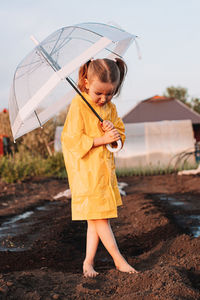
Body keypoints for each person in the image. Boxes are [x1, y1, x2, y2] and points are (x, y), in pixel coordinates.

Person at [61, 58, 138, 277]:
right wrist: (102, 139)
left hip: (103, 173)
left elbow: (120, 138)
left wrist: (114, 132)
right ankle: (118, 260)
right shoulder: (78, 105)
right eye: (98, 93)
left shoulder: (110, 108)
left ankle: (88, 263)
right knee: (100, 219)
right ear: (85, 82)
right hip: (86, 174)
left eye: (109, 94)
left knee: (94, 220)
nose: (103, 99)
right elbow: (71, 140)